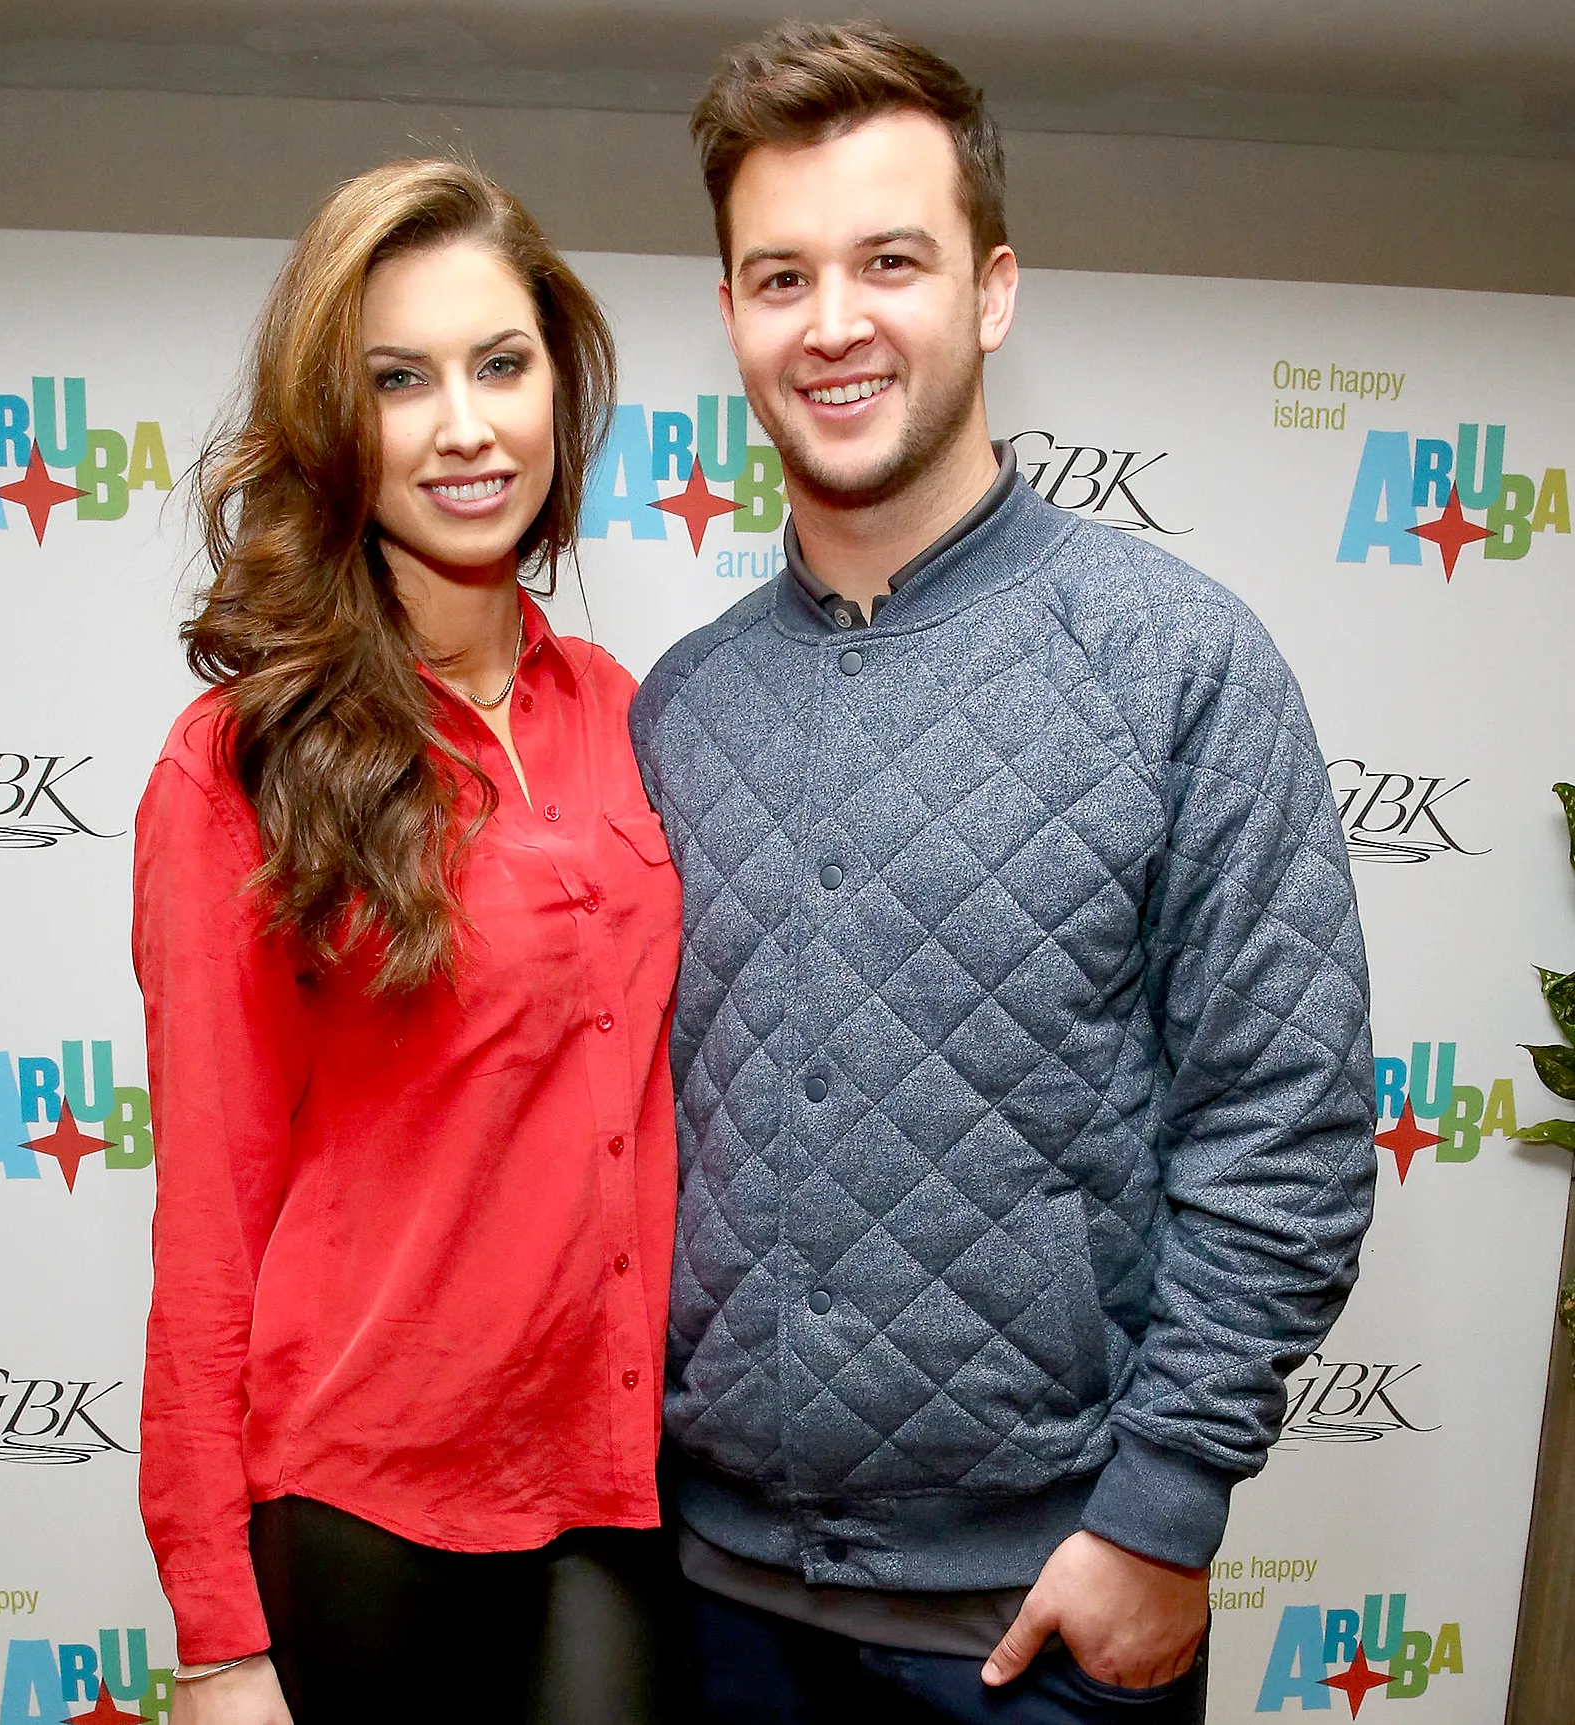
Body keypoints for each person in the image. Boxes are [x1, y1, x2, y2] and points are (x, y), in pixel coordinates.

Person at [629, 22, 1378, 1723]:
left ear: (994, 290)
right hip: (712, 1600)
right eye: (780, 274)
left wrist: (1165, 1515)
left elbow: (1292, 1117)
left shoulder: (1178, 662)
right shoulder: (678, 712)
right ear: (734, 315)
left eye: (892, 260)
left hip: (1043, 1620)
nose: (834, 322)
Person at [132, 160, 684, 1725]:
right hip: (366, 1500)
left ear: (556, 389)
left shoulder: (632, 715)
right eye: (400, 379)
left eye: (501, 365)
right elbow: (210, 1220)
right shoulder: (238, 761)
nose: (464, 424)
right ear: (332, 419)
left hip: (620, 1478)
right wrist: (221, 1639)